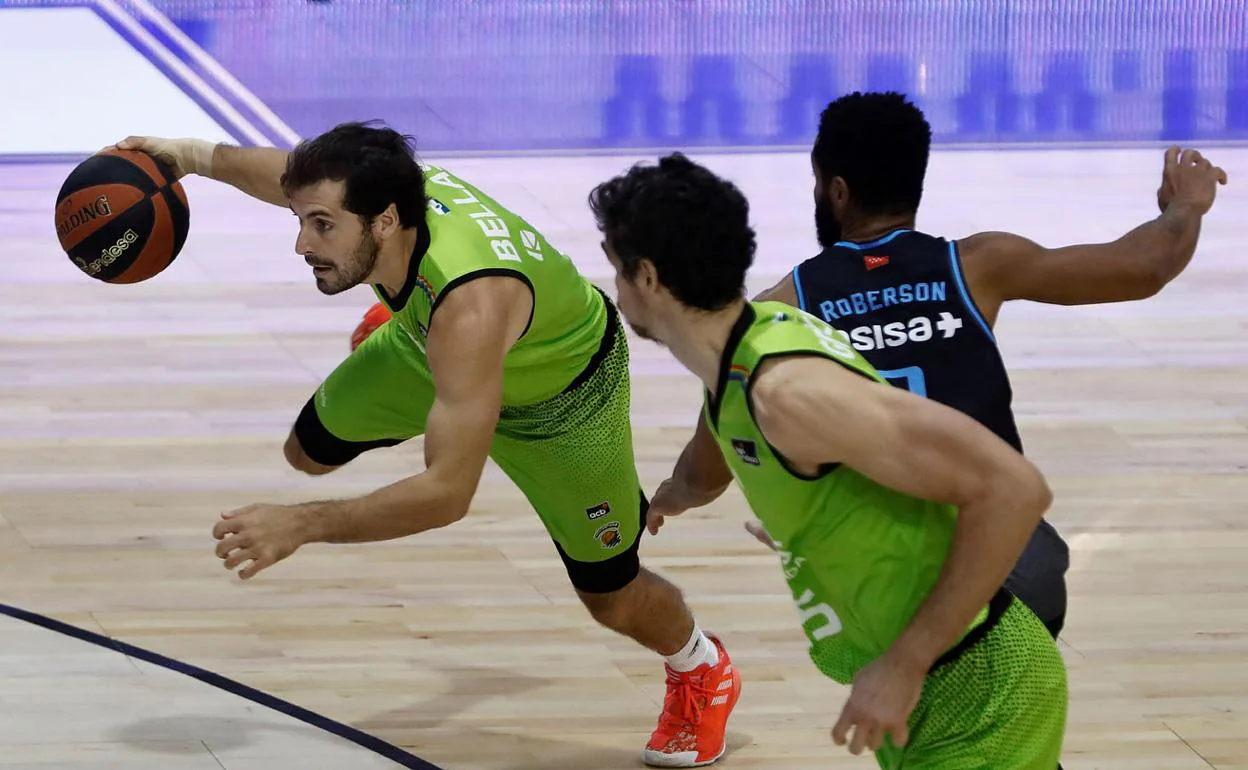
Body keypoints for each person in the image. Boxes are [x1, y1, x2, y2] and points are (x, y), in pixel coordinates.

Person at [105, 124, 741, 768]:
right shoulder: (383, 190)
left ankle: (702, 668)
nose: (302, 243)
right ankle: (418, 340)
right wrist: (182, 158)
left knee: (612, 595)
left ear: (384, 221)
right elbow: (277, 174)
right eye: (303, 221)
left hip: (563, 402)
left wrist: (302, 525)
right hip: (435, 347)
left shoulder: (471, 303)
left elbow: (447, 496)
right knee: (308, 453)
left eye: (321, 226)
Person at [663, 91, 1230, 641]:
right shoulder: (978, 265)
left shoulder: (783, 310)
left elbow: (707, 470)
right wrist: (1187, 204)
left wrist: (671, 494)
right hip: (1017, 571)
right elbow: (1145, 266)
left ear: (836, 191)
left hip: (890, 584)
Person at [587, 152, 1068, 767]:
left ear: (648, 278)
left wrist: (902, 664)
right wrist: (692, 499)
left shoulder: (786, 395)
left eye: (616, 271)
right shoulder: (746, 347)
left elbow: (1015, 488)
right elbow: (722, 469)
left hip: (974, 691)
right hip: (934, 694)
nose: (617, 289)